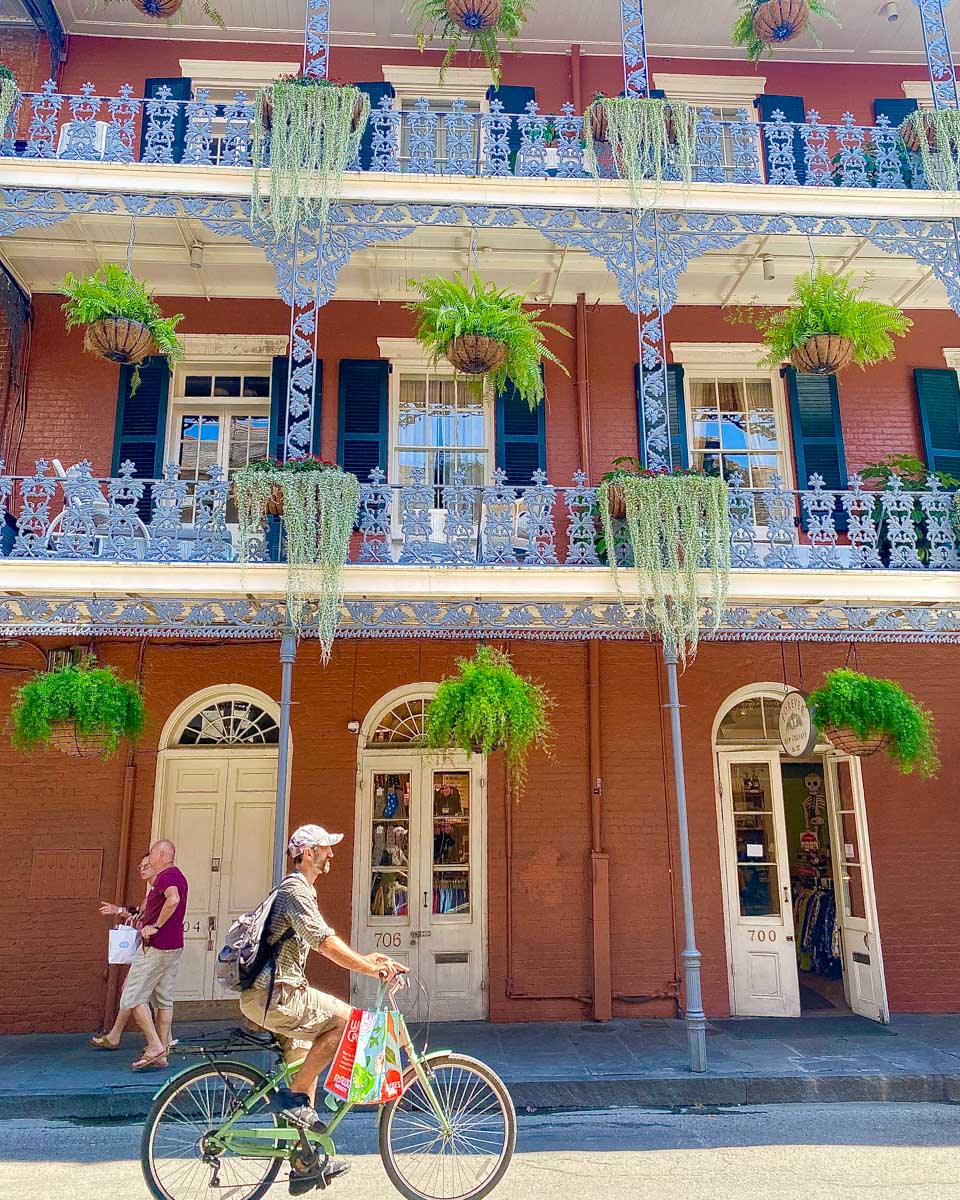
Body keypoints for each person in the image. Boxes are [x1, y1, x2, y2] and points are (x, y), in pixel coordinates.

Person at [239, 824, 405, 1196]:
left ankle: (304, 1164)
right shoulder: (296, 890)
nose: (331, 854)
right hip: (277, 995)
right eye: (326, 848)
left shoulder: (299, 889)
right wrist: (367, 967)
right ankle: (290, 1099)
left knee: (305, 1068)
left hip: (274, 995)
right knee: (348, 1022)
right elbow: (323, 942)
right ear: (309, 852)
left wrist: (366, 958)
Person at [112, 839, 188, 1070]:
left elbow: (173, 899)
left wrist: (155, 926)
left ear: (163, 855)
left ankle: (155, 1046)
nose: (150, 858)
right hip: (174, 946)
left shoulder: (166, 876)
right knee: (164, 999)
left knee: (132, 996)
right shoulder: (178, 875)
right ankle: (162, 1053)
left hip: (157, 946)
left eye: (153, 853)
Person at [91, 853, 166, 1053]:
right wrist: (120, 911)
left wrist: (122, 912)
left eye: (147, 865)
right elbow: (139, 915)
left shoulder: (160, 892)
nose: (142, 869)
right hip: (150, 949)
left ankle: (158, 1044)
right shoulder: (151, 893)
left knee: (136, 993)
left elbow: (145, 919)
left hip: (154, 949)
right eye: (140, 866)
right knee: (149, 995)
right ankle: (121, 1035)